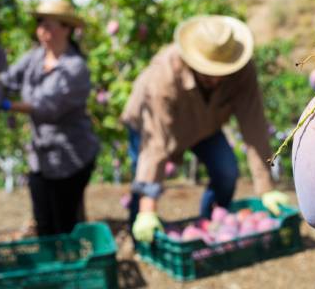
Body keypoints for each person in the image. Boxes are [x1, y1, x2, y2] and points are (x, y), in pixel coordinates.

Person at [121, 15, 289, 242]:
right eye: (209, 71)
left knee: (227, 171)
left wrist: (265, 186)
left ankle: (211, 228)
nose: (217, 78)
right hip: (150, 127)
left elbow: (254, 124)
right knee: (142, 185)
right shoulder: (165, 75)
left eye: (222, 71)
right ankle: (140, 237)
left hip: (204, 125)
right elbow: (155, 143)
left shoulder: (241, 70)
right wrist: (148, 210)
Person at [0, 0, 100, 236]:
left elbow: (46, 107)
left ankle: (69, 267)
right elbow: (10, 78)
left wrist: (6, 104)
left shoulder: (75, 68)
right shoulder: (35, 57)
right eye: (40, 23)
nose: (43, 29)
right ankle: (53, 265)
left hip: (71, 155)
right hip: (42, 155)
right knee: (43, 220)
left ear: (66, 29)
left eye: (49, 24)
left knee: (64, 222)